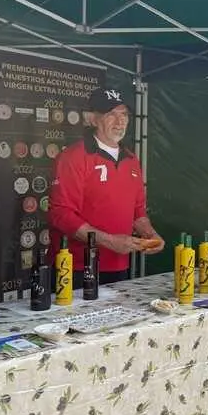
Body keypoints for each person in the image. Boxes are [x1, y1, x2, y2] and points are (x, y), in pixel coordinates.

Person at [49, 88, 165, 287]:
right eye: (111, 114)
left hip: (119, 266)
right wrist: (110, 241)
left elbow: (138, 211)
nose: (120, 121)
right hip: (76, 266)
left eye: (124, 114)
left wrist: (150, 234)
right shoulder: (73, 157)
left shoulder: (131, 159)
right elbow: (62, 214)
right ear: (93, 119)